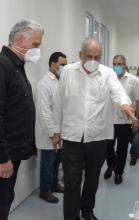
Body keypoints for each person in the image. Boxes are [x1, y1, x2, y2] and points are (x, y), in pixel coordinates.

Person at [52, 39, 136, 220]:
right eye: (89, 56)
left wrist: (125, 105)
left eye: (97, 57)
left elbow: (118, 92)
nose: (93, 60)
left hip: (97, 136)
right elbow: (59, 102)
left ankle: (87, 210)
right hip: (72, 136)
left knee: (92, 179)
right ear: (80, 55)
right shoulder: (67, 72)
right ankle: (71, 217)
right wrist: (56, 131)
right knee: (71, 181)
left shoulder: (107, 74)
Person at [0, 19, 44, 220]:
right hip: (4, 156)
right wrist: (2, 159)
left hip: (13, 152)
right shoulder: (3, 65)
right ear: (20, 39)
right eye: (36, 44)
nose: (38, 50)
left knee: (7, 198)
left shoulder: (17, 65)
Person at [104, 55, 139, 184]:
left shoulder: (133, 80)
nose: (116, 66)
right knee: (108, 147)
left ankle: (118, 172)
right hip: (109, 121)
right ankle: (111, 165)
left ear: (124, 65)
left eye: (119, 64)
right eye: (114, 63)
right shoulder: (108, 79)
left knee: (122, 149)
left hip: (125, 122)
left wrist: (136, 120)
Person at [35, 52, 67, 203]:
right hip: (49, 133)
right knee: (48, 162)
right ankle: (45, 190)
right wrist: (52, 133)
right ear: (52, 64)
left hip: (60, 132)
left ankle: (54, 184)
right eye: (62, 65)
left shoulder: (61, 81)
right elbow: (44, 112)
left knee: (56, 161)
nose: (64, 67)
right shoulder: (44, 83)